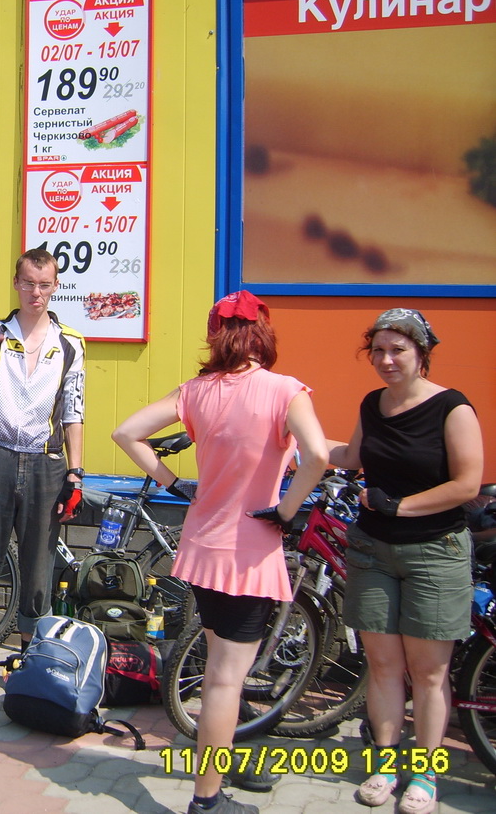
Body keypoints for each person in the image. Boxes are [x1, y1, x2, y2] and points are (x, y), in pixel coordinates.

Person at [112, 290, 327, 814]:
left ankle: (219, 772)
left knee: (219, 673)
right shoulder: (285, 390)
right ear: (262, 333)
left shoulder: (197, 391)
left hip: (203, 546)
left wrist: (172, 481)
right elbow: (318, 455)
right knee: (226, 680)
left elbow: (126, 432)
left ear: (216, 335)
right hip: (250, 554)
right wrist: (286, 510)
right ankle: (207, 800)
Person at [327, 308, 483, 814]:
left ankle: (426, 774)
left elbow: (466, 484)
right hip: (373, 551)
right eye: (378, 350)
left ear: (422, 353)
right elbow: (351, 456)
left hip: (435, 551)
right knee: (382, 665)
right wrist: (294, 438)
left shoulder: (452, 407)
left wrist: (400, 506)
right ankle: (385, 765)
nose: (386, 359)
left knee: (428, 673)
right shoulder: (373, 404)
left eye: (398, 350)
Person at [0, 248, 86, 675]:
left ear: (56, 286)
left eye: (44, 285)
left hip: (46, 462)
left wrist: (76, 472)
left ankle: (28, 660)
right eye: (28, 283)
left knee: (38, 565)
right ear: (16, 283)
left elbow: (74, 409)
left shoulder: (71, 343)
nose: (35, 293)